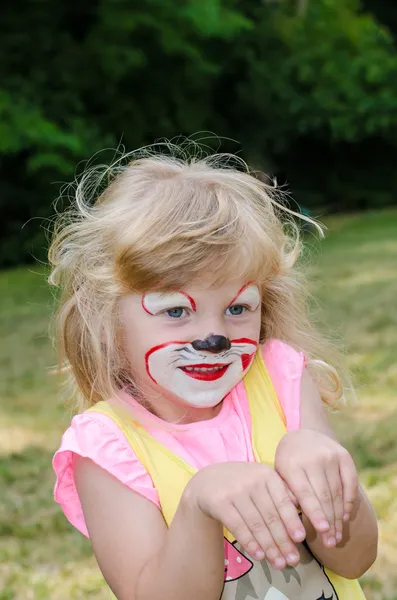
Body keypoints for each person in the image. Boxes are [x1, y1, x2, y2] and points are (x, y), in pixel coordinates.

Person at [50, 145, 378, 600]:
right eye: (176, 311)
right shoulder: (105, 447)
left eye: (238, 307)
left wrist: (326, 479)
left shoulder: (281, 379)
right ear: (107, 319)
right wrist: (198, 504)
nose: (214, 336)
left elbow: (355, 557)